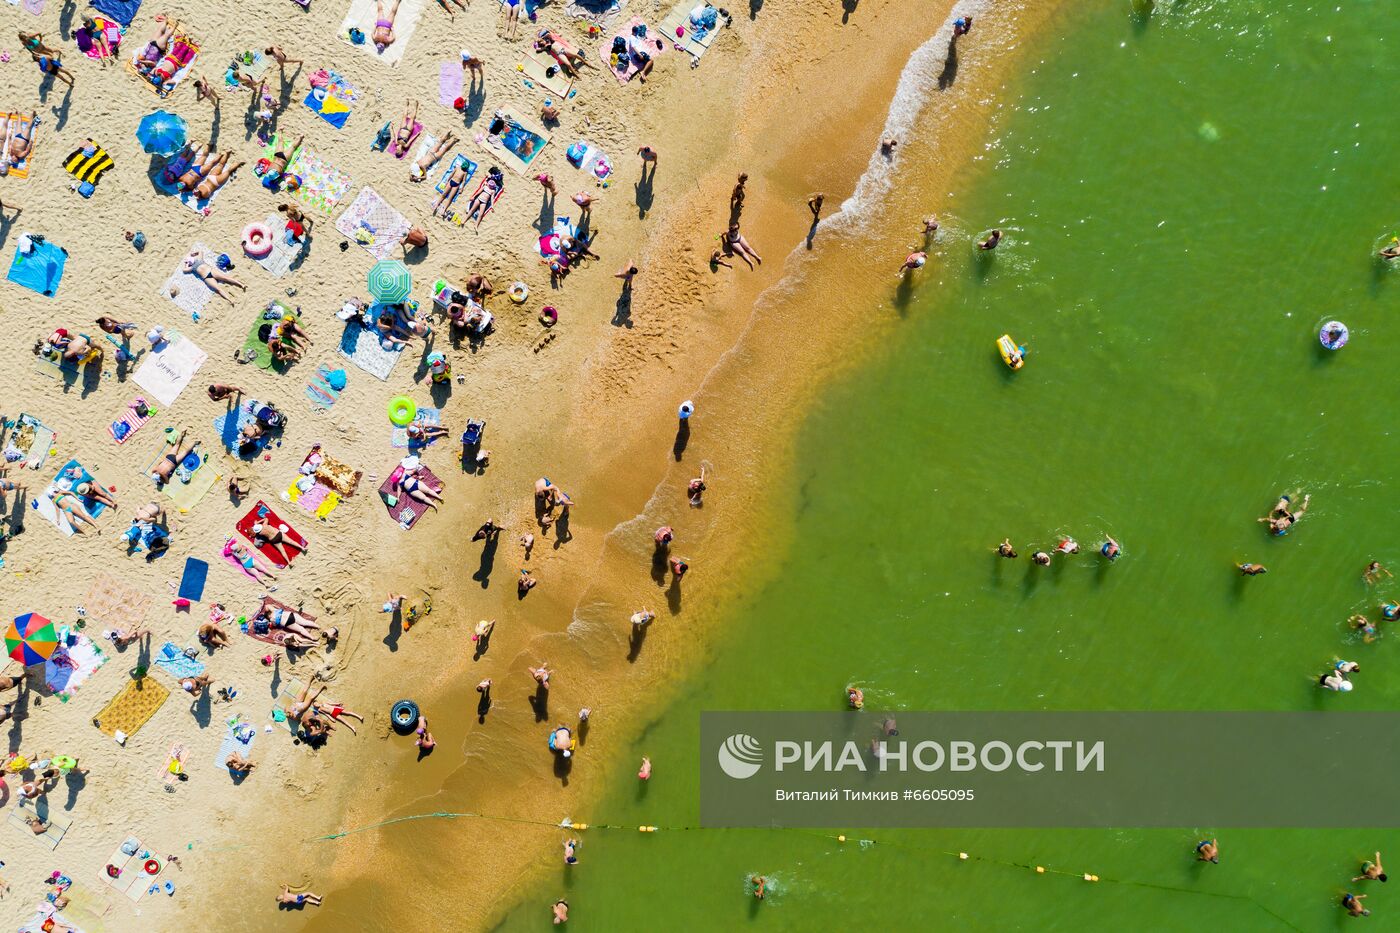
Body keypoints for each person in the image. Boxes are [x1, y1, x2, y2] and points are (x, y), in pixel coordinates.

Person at [182, 250, 246, 304]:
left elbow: (184, 270)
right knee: (224, 282)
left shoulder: (192, 267)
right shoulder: (198, 261)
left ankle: (239, 287)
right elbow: (200, 251)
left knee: (223, 283)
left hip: (207, 276)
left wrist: (186, 263)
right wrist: (193, 253)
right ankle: (236, 292)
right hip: (210, 273)